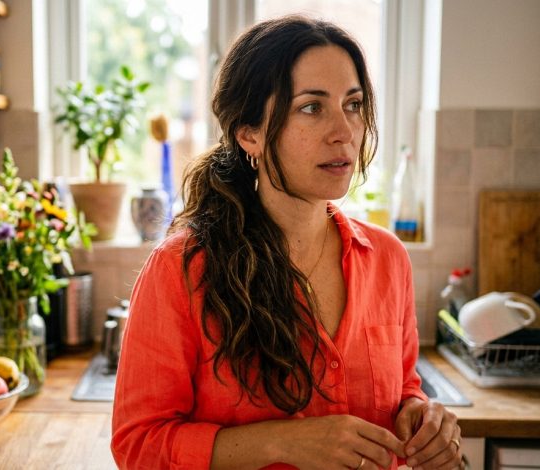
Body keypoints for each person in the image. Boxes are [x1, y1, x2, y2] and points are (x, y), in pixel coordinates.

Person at [111, 15, 462, 470]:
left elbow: (403, 390)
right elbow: (138, 445)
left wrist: (420, 418)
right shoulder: (182, 267)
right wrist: (281, 443)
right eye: (312, 108)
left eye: (353, 105)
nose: (344, 132)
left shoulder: (388, 259)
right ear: (249, 133)